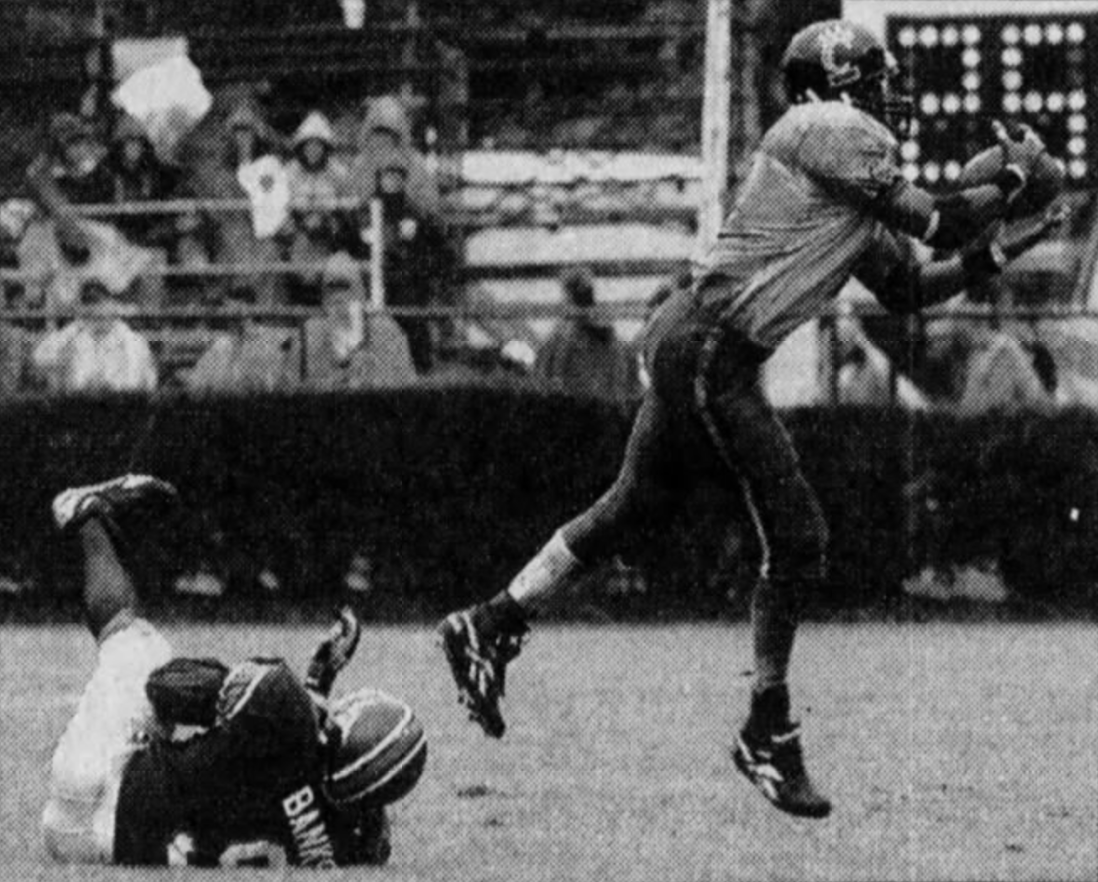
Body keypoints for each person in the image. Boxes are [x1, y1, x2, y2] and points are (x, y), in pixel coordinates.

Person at [437, 18, 1065, 819]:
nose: (886, 95)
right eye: (871, 80)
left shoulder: (838, 185)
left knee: (633, 505)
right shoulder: (820, 129)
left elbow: (910, 288)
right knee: (798, 536)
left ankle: (489, 622)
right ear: (829, 90)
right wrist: (1013, 181)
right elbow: (938, 218)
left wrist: (1006, 245)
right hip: (710, 345)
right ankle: (766, 729)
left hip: (699, 340)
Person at [42, 474, 420, 866]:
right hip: (91, 849)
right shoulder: (353, 846)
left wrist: (247, 712)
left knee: (136, 642)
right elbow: (308, 782)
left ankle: (83, 516)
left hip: (92, 779)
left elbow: (166, 688)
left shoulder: (281, 703)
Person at [303, 252, 416, 390]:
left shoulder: (386, 330)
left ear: (361, 293)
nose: (338, 298)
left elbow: (404, 386)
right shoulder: (311, 332)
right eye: (332, 288)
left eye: (344, 287)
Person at [534, 267, 640, 403]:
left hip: (578, 410)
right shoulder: (618, 344)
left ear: (567, 295)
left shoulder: (556, 342)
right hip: (605, 410)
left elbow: (542, 382)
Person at [33, 278, 157, 394]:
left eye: (100, 302)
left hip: (120, 405)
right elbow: (40, 358)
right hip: (80, 406)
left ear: (112, 304)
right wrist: (76, 325)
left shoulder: (133, 340)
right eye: (90, 305)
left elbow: (145, 384)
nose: (97, 309)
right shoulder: (75, 335)